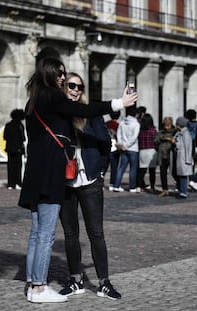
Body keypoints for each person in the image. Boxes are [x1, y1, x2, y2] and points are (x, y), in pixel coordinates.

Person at [18, 57, 137, 303]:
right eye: (60, 74)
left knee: (37, 232)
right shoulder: (53, 97)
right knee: (46, 235)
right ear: (49, 74)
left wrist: (99, 171)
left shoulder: (35, 100)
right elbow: (83, 110)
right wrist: (118, 102)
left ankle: (32, 284)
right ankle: (39, 288)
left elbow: (95, 131)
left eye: (65, 75)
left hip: (37, 173)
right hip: (52, 175)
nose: (63, 79)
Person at [58, 72, 121, 300]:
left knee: (96, 234)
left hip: (90, 181)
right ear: (63, 87)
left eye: (79, 87)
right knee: (70, 233)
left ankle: (104, 283)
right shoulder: (59, 113)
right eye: (71, 86)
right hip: (65, 182)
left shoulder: (90, 115)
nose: (76, 90)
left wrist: (100, 172)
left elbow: (106, 143)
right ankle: (76, 280)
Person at [112, 107, 140, 192]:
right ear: (136, 114)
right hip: (133, 148)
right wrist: (127, 145)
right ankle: (132, 187)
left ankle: (116, 185)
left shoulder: (122, 122)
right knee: (133, 168)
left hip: (123, 148)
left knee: (121, 167)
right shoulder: (136, 124)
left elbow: (118, 134)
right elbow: (134, 137)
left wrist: (122, 144)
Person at [3, 109, 26, 190]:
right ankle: (18, 183)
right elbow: (23, 138)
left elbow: (5, 137)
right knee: (18, 167)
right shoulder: (20, 126)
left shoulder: (8, 125)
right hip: (18, 149)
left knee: (10, 167)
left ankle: (10, 184)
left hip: (9, 148)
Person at [136, 113, 158, 193]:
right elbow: (156, 142)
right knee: (152, 171)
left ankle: (139, 186)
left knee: (142, 171)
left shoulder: (140, 131)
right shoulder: (153, 130)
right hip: (151, 151)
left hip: (142, 151)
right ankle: (152, 186)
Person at [155, 116, 175, 197]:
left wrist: (171, 139)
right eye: (165, 125)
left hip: (171, 155)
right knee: (163, 173)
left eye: (168, 125)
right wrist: (162, 138)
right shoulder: (161, 132)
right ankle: (164, 189)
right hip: (162, 155)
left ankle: (180, 187)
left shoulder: (174, 132)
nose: (167, 127)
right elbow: (155, 141)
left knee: (174, 172)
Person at [173, 117, 192, 199]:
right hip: (180, 156)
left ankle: (183, 192)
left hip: (184, 157)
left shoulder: (185, 133)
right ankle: (182, 190)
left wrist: (188, 159)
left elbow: (188, 146)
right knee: (181, 174)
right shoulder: (179, 133)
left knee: (183, 175)